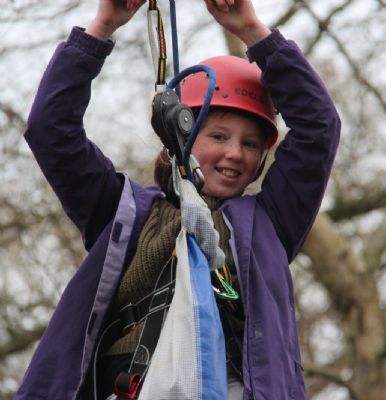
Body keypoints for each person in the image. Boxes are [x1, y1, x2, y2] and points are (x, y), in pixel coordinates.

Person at [16, 0, 340, 399]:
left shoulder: (268, 225)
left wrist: (252, 30)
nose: (235, 154)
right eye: (218, 136)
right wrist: (103, 26)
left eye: (250, 144)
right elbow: (51, 130)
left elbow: (319, 128)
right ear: (179, 134)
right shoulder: (123, 214)